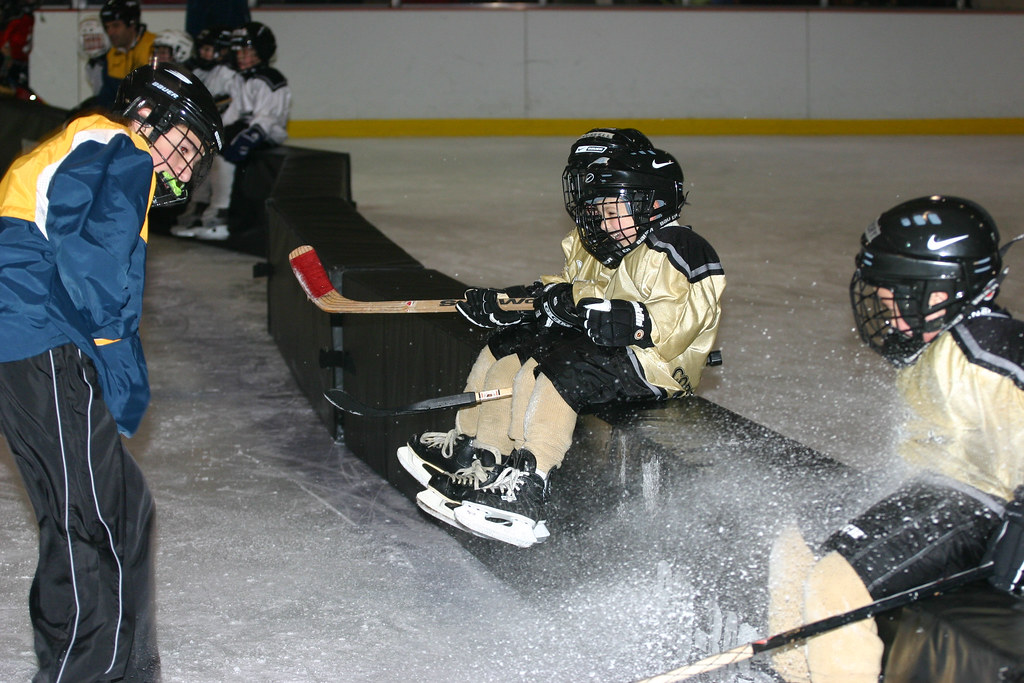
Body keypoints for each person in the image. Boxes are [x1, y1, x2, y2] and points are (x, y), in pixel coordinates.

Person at [396, 128, 726, 547]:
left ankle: (530, 482)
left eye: (612, 210)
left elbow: (688, 315)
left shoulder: (679, 247)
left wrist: (637, 321)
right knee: (511, 348)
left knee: (560, 372)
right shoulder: (601, 243)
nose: (600, 220)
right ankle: (482, 453)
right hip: (610, 348)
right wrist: (517, 302)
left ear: (651, 204)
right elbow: (573, 289)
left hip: (657, 364)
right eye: (596, 210)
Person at [0, 63, 222, 682]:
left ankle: (129, 669)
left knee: (126, 509)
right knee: (89, 522)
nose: (187, 163)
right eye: (188, 144)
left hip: (35, 337)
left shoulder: (105, 151)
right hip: (41, 336)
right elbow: (93, 266)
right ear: (151, 117)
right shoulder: (116, 146)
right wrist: (119, 365)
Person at [768, 195, 1024, 682]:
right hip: (940, 485)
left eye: (903, 298)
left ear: (954, 287)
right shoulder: (938, 341)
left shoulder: (989, 351)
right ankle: (798, 673)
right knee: (797, 540)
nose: (890, 315)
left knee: (835, 588)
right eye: (885, 299)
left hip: (986, 502)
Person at [172, 21, 289, 242]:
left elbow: (267, 117)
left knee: (224, 154)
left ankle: (220, 213)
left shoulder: (270, 79)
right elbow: (232, 114)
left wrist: (250, 135)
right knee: (205, 150)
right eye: (239, 52)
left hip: (264, 132)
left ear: (262, 52)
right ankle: (200, 206)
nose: (243, 57)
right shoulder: (238, 78)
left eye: (249, 52)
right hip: (241, 127)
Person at [93, 0, 156, 109]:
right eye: (107, 27)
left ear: (132, 23)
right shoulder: (111, 55)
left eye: (116, 26)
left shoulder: (154, 46)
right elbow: (107, 97)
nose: (110, 32)